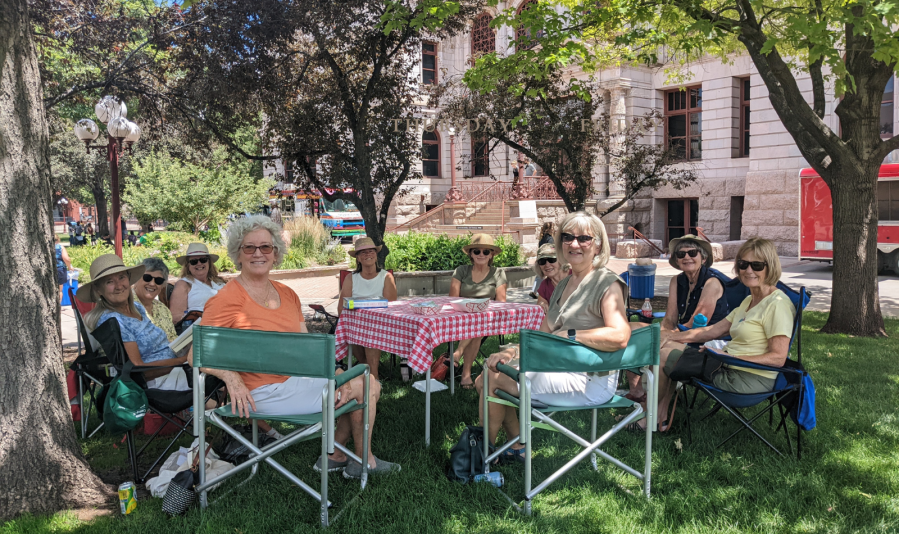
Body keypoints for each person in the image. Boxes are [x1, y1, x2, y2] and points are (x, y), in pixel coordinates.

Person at [192, 215, 399, 476]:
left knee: (357, 383)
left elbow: (306, 349)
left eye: (266, 247)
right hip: (261, 392)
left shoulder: (287, 294)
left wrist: (335, 372)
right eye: (250, 247)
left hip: (295, 379)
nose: (258, 253)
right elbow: (195, 355)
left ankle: (337, 455)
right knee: (366, 387)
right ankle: (361, 461)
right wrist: (230, 377)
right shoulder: (226, 299)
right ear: (238, 253)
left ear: (275, 253)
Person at [475, 211, 630, 459]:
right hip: (558, 368)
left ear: (598, 244)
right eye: (567, 237)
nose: (574, 244)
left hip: (590, 379)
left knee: (492, 380)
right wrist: (511, 351)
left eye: (584, 238)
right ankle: (515, 448)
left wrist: (572, 334)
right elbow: (543, 334)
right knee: (485, 376)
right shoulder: (564, 284)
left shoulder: (607, 283)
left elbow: (620, 335)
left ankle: (481, 459)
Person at [633, 237, 796, 432]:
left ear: (770, 266)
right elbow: (711, 331)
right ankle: (657, 417)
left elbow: (778, 358)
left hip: (746, 376)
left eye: (757, 265)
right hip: (726, 363)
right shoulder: (749, 301)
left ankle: (647, 415)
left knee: (663, 356)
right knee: (665, 348)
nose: (748, 270)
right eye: (743, 264)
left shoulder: (777, 304)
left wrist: (730, 357)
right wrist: (670, 336)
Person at [625, 234, 727, 403]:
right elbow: (670, 317)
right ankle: (636, 390)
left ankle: (652, 399)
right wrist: (663, 331)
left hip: (706, 339)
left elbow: (696, 323)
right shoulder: (677, 281)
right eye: (681, 254)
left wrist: (665, 336)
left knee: (655, 343)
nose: (687, 257)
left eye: (692, 253)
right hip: (682, 332)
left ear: (703, 258)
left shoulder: (712, 283)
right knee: (628, 329)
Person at [80, 255, 190, 390]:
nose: (119, 286)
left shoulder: (137, 308)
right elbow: (137, 369)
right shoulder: (113, 320)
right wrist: (181, 361)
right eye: (109, 282)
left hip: (173, 369)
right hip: (156, 382)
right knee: (209, 376)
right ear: (98, 290)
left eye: (121, 277)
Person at [448, 234, 508, 389]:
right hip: (462, 316)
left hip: (488, 318)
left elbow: (501, 302)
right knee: (477, 327)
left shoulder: (498, 273)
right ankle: (465, 374)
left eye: (486, 251)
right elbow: (453, 298)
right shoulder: (461, 271)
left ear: (492, 255)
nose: (481, 254)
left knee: (479, 322)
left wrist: (481, 309)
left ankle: (458, 353)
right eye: (477, 251)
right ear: (471, 254)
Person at [337, 237, 398, 380]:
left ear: (376, 255)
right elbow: (341, 308)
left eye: (371, 251)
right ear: (357, 258)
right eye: (362, 253)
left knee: (370, 329)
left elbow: (392, 307)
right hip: (355, 326)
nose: (367, 255)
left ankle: (372, 375)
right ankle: (370, 371)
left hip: (382, 325)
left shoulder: (386, 277)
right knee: (358, 329)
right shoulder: (351, 279)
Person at [168, 243, 227, 323]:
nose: (199, 263)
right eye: (194, 261)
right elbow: (176, 317)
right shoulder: (184, 284)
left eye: (203, 260)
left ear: (209, 262)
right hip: (202, 328)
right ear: (188, 265)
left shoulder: (219, 282)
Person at [133, 258, 177, 342]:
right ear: (136, 278)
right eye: (147, 278)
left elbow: (173, 338)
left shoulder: (163, 309)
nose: (152, 283)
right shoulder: (126, 305)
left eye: (158, 280)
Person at [533, 244, 565, 313]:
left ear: (560, 260)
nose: (547, 265)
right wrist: (542, 304)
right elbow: (541, 303)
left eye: (552, 259)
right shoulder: (545, 285)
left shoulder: (574, 276)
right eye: (542, 261)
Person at [530, 222, 556, 298]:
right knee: (551, 274)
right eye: (552, 228)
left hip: (541, 258)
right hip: (548, 258)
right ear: (550, 229)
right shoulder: (550, 239)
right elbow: (551, 248)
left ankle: (534, 291)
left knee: (540, 275)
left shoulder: (542, 238)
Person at [55, 235, 73, 299]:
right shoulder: (60, 247)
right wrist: (70, 267)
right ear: (58, 240)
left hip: (48, 270)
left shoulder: (45, 247)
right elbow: (66, 259)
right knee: (59, 290)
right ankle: (58, 306)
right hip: (59, 269)